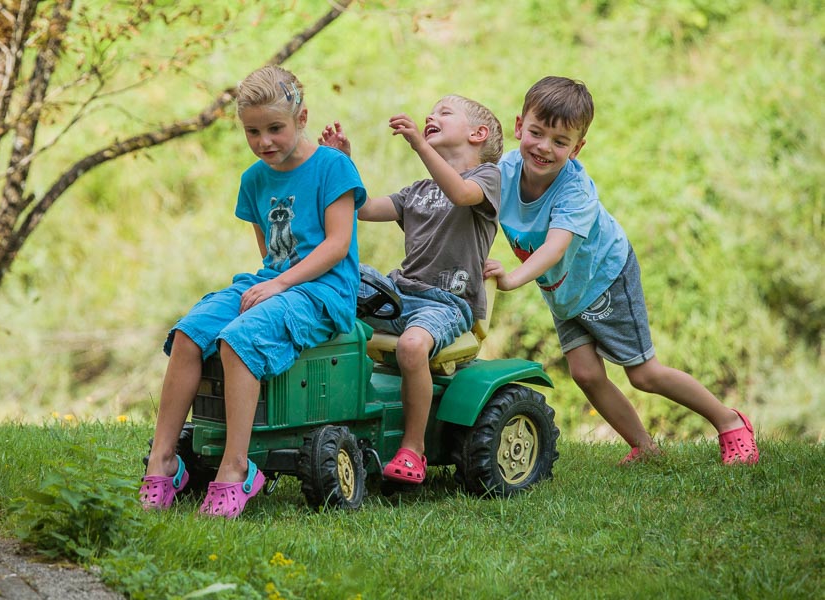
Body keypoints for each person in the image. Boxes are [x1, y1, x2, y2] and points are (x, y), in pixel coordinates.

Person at [483, 76, 759, 465]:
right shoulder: (503, 171)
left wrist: (511, 278)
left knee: (643, 374)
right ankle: (645, 447)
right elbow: (472, 204)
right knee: (585, 373)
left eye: (560, 142)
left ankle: (730, 422)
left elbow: (555, 247)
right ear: (518, 127)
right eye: (536, 133)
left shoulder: (574, 191)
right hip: (563, 287)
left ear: (577, 148)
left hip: (605, 278)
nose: (544, 147)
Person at [140, 66, 367, 517]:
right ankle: (163, 461)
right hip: (274, 281)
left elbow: (338, 245)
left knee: (239, 339)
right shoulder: (254, 179)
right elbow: (271, 254)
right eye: (253, 132)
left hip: (324, 290)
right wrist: (274, 282)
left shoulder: (331, 166)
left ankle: (236, 468)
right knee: (190, 333)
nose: (265, 142)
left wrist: (280, 284)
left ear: (301, 118)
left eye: (275, 129)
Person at [319, 95, 503, 484]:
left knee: (411, 346)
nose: (432, 115)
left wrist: (419, 143)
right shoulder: (417, 191)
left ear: (478, 134)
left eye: (444, 112)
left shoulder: (487, 179)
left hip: (448, 303)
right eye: (431, 112)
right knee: (332, 292)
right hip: (399, 291)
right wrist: (343, 163)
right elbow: (363, 208)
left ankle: (412, 449)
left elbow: (460, 194)